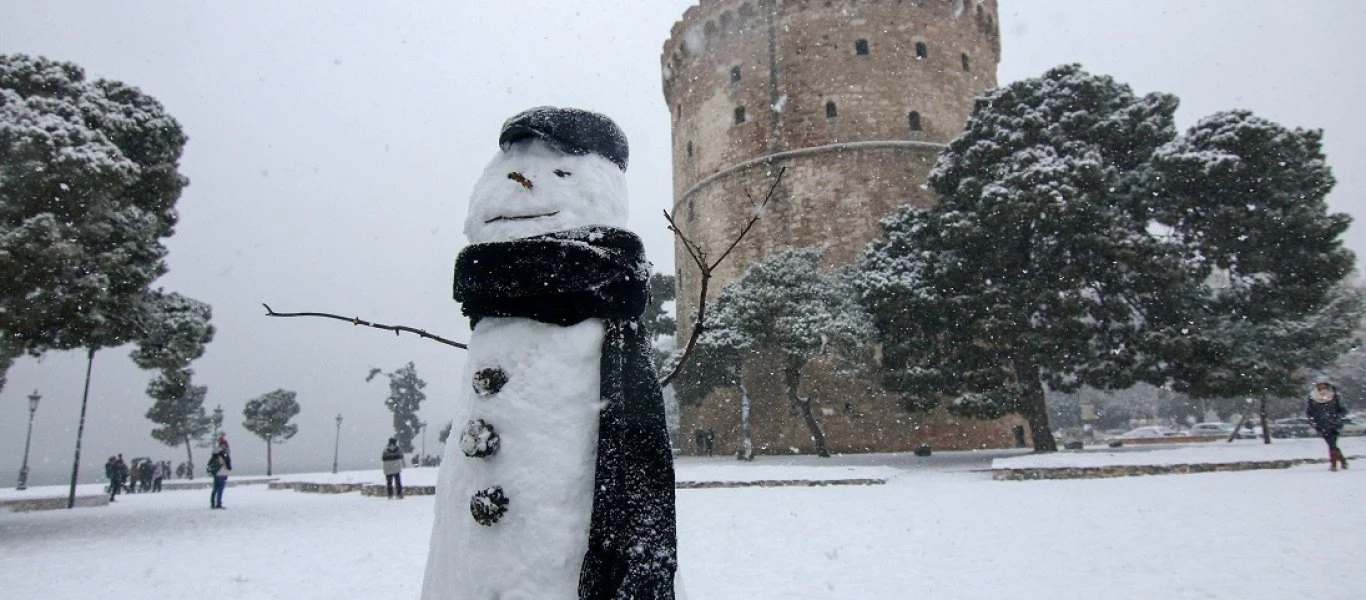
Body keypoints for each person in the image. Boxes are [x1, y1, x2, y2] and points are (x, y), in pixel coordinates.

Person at [1307, 381, 1350, 471]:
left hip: (1334, 424)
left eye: (1324, 385)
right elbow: (1309, 412)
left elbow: (1343, 410)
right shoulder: (1312, 397)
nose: (1322, 387)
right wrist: (1313, 421)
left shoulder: (1334, 396)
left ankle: (1333, 464)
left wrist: (1337, 418)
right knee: (1331, 444)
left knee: (1332, 443)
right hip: (1321, 425)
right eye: (1319, 385)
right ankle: (1342, 461)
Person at [208, 433, 232, 509]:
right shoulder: (224, 453)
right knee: (220, 489)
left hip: (216, 473)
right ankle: (218, 503)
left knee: (215, 488)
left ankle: (212, 503)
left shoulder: (215, 453)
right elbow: (228, 465)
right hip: (222, 473)